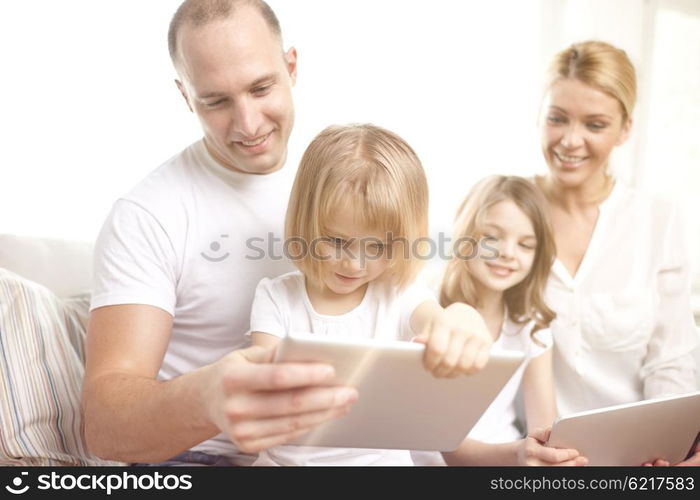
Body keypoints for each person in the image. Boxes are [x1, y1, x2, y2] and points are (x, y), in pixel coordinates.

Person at [82, 0, 359, 466]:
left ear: (291, 66)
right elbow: (104, 427)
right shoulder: (148, 214)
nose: (248, 124)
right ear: (186, 97)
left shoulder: (343, 181)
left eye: (261, 88)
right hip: (204, 460)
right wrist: (207, 398)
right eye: (216, 101)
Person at [248, 124, 493, 466]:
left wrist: (463, 317)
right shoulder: (276, 298)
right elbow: (263, 389)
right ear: (306, 223)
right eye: (336, 241)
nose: (354, 263)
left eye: (377, 246)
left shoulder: (400, 294)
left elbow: (438, 321)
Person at [534, 40, 699, 465]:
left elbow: (672, 361)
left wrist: (665, 444)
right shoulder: (508, 213)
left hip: (635, 456)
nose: (571, 141)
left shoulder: (658, 220)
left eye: (595, 125)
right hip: (535, 455)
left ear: (625, 129)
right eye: (557, 119)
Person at [438, 175, 586, 466]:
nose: (507, 253)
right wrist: (518, 455)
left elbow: (543, 429)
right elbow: (441, 444)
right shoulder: (429, 314)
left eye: (525, 245)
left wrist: (552, 458)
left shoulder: (531, 327)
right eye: (492, 238)